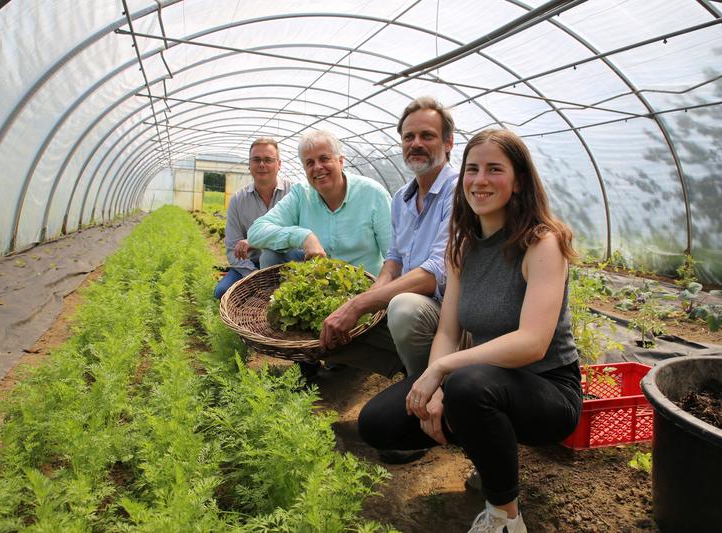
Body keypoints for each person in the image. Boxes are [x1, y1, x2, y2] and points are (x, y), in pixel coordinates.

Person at [358, 129, 583, 533]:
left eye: (494, 169)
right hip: (483, 384)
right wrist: (435, 387)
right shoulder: (462, 244)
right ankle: (490, 448)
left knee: (469, 385)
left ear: (518, 182)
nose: (480, 180)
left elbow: (532, 343)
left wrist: (443, 371)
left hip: (547, 391)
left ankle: (505, 517)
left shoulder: (542, 243)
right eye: (472, 169)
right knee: (378, 422)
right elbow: (447, 329)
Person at [320, 96, 458, 379]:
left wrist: (362, 304)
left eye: (427, 136)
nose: (416, 143)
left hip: (448, 313)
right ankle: (406, 367)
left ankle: (431, 383)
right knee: (329, 323)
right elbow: (394, 260)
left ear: (448, 143)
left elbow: (437, 273)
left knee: (403, 308)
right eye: (409, 137)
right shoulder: (401, 199)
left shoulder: (458, 192)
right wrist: (368, 296)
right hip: (412, 310)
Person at [247, 130, 391, 275]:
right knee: (270, 255)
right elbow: (255, 232)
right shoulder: (301, 194)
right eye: (310, 162)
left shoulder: (373, 195)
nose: (317, 167)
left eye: (324, 159)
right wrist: (303, 236)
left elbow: (393, 257)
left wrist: (379, 292)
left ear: (340, 162)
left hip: (364, 287)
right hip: (317, 284)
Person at [214, 138, 293, 299]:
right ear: (249, 164)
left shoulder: (293, 193)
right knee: (222, 292)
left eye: (268, 160)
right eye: (256, 160)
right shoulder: (238, 200)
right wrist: (254, 276)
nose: (262, 165)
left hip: (287, 261)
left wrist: (258, 241)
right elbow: (232, 248)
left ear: (279, 164)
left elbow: (302, 235)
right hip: (250, 263)